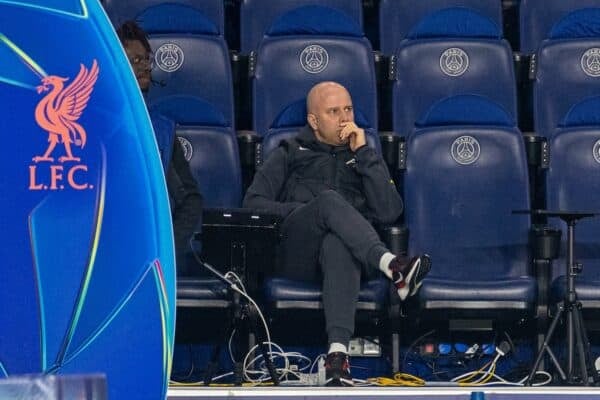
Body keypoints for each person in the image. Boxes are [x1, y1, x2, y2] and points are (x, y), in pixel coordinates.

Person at [243, 81, 431, 386]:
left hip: (353, 260)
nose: (345, 118)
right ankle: (394, 266)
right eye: (334, 112)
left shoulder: (363, 155)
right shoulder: (290, 152)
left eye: (349, 109)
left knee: (337, 242)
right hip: (296, 254)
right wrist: (308, 211)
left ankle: (337, 356)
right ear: (314, 121)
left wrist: (365, 155)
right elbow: (253, 203)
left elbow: (389, 212)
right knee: (330, 201)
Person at [117, 21, 203, 276]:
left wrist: (168, 248)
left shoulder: (162, 131)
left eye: (146, 59)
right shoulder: (94, 127)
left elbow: (190, 199)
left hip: (155, 247)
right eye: (134, 60)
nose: (144, 66)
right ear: (117, 66)